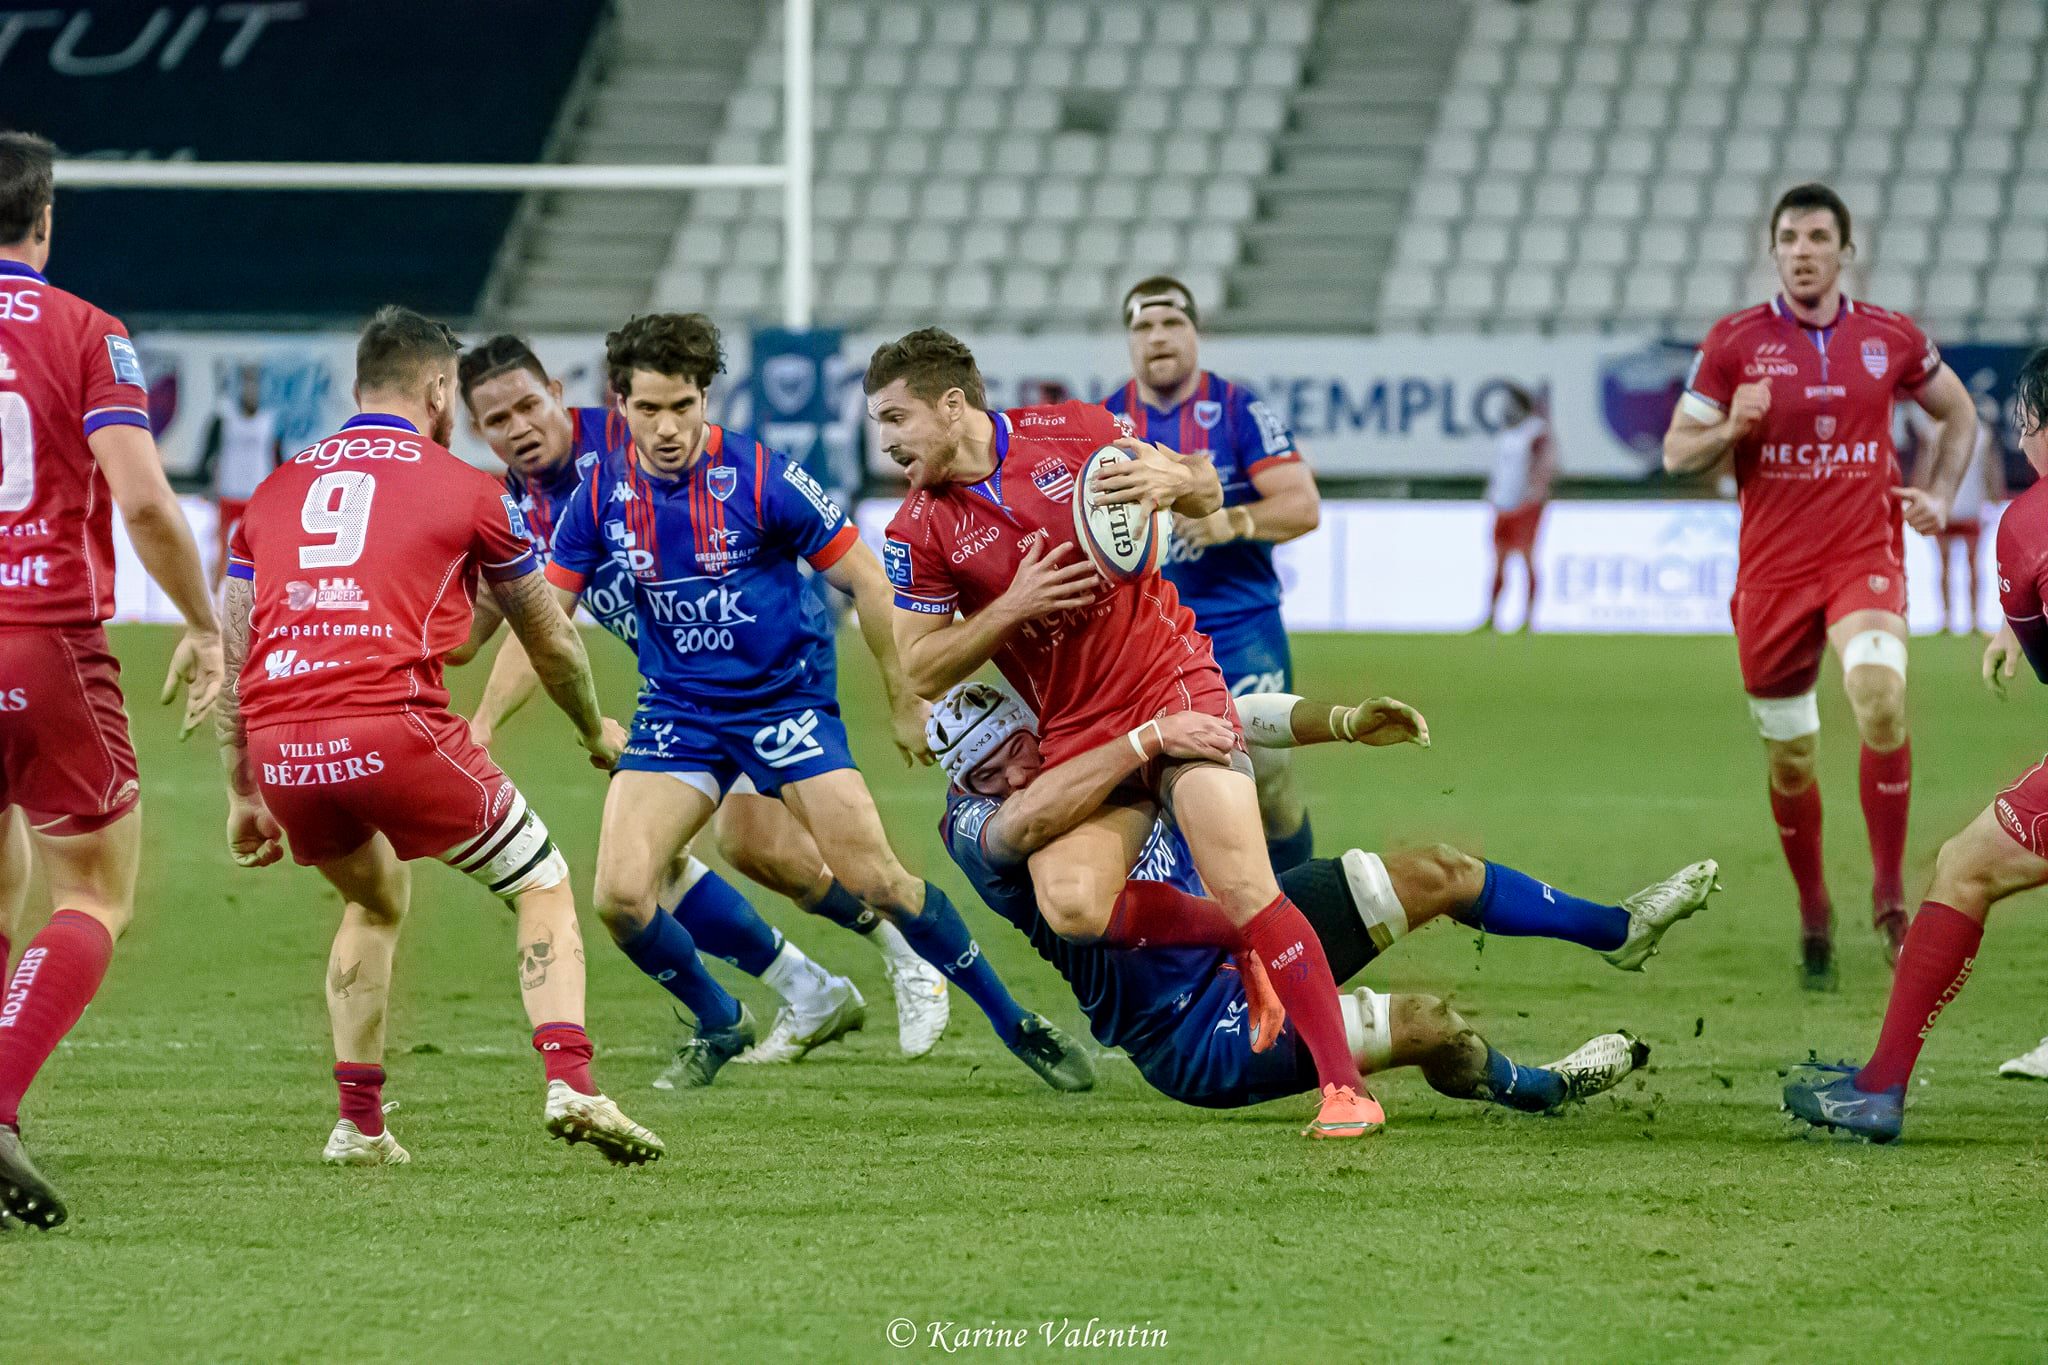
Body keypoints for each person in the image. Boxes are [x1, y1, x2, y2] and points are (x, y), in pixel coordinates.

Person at [537, 313, 1092, 1093]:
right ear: (618, 402)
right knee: (621, 897)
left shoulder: (760, 474)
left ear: (706, 398)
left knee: (881, 881)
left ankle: (1013, 1021)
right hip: (678, 712)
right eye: (647, 409)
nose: (666, 427)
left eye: (683, 407)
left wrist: (905, 700)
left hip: (782, 702)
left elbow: (867, 579)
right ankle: (721, 1018)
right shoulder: (598, 490)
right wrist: (540, 718)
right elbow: (545, 621)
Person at [870, 326, 1376, 1139]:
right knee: (1070, 903)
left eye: (896, 418)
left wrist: (1180, 474)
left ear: (952, 405)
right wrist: (1014, 606)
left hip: (1171, 679)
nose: (886, 441)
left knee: (1246, 876)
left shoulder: (1076, 431)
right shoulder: (917, 530)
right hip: (1074, 727)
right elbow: (921, 669)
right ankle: (1246, 938)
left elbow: (1207, 492)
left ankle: (1344, 1089)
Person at [217, 306, 661, 1168]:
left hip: (284, 745)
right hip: (394, 727)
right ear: (433, 391)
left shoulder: (273, 491)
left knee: (373, 899)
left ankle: (359, 1124)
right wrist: (590, 729)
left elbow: (240, 653)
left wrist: (241, 789)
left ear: (357, 391)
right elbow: (551, 637)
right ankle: (570, 1078)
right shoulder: (468, 487)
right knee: (541, 878)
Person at [455, 336, 947, 1069]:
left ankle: (905, 952)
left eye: (529, 404)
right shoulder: (513, 505)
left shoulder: (632, 439)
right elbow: (515, 629)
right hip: (681, 688)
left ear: (560, 392)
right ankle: (813, 988)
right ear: (476, 430)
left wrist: (490, 724)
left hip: (768, 666)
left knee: (731, 850)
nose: (519, 425)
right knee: (701, 856)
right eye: (497, 419)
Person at [927, 680, 1718, 1117]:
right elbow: (1022, 823)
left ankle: (1619, 928)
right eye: (983, 774)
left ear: (1035, 727)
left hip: (1243, 923)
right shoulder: (976, 825)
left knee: (1441, 869)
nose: (1010, 779)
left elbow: (1229, 714)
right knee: (1428, 1024)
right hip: (1190, 1030)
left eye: (1014, 754)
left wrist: (1342, 720)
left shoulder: (1083, 735)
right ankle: (1540, 1087)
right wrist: (1143, 745)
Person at [1662, 182, 1979, 988]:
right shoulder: (1734, 343)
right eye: (1789, 239)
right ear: (1774, 252)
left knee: (1878, 695)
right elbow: (1676, 451)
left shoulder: (1891, 337)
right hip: (1771, 576)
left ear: (1845, 249)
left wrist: (1940, 492)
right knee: (1793, 760)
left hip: (1861, 554)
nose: (1802, 251)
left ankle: (1889, 893)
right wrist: (1734, 426)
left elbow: (1959, 415)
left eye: (1816, 237)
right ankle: (1813, 909)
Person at [0, 131, 223, 1228]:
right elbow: (140, 502)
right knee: (93, 889)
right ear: (44, 220)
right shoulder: (87, 330)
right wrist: (202, 621)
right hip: (40, 636)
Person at [1785, 345, 2048, 1142]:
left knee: (1963, 868)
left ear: (2032, 421)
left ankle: (1880, 1085)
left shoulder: (2030, 523)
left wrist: (2020, 621)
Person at [1101, 277, 1321, 872]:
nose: (1158, 337)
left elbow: (1303, 504)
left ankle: (1304, 917)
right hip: (1151, 636)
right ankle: (1215, 942)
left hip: (1242, 625)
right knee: (1175, 783)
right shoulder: (1103, 424)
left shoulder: (1238, 410)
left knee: (1268, 781)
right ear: (1129, 342)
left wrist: (1237, 519)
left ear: (1195, 333)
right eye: (1144, 327)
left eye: (1172, 323)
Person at [1912, 391, 2004, 635]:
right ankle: (1946, 618)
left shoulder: (1982, 434)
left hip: (1971, 507)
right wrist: (1921, 493)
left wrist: (1995, 497)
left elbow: (1991, 468)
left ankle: (1974, 619)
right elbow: (1925, 467)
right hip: (1943, 508)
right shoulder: (1935, 432)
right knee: (1944, 566)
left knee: (1973, 566)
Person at [198, 362, 283, 589]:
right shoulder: (224, 419)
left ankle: (261, 594)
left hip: (257, 496)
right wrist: (205, 484)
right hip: (228, 493)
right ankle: (215, 601)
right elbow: (208, 455)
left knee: (260, 549)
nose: (251, 391)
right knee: (220, 550)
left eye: (255, 385)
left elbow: (279, 460)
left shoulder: (269, 421)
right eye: (246, 384)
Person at [1480, 385, 1555, 632]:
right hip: (1502, 505)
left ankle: (1529, 618)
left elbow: (1545, 468)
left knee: (1526, 558)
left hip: (1525, 505)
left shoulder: (1536, 433)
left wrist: (1533, 496)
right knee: (1499, 561)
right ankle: (1491, 617)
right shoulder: (1505, 435)